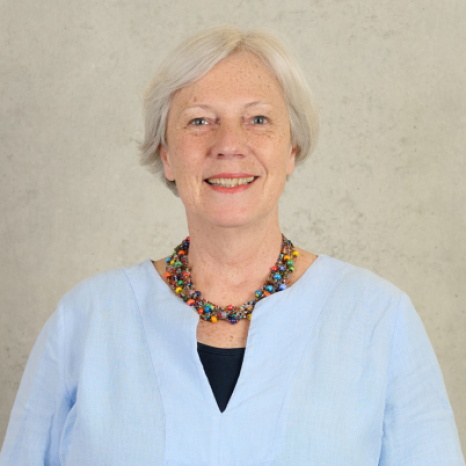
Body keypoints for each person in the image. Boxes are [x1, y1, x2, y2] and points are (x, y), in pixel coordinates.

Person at [0, 25, 464, 466]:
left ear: (291, 151)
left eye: (257, 119)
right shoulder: (84, 321)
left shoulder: (379, 320)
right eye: (199, 121)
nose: (229, 144)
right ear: (166, 154)